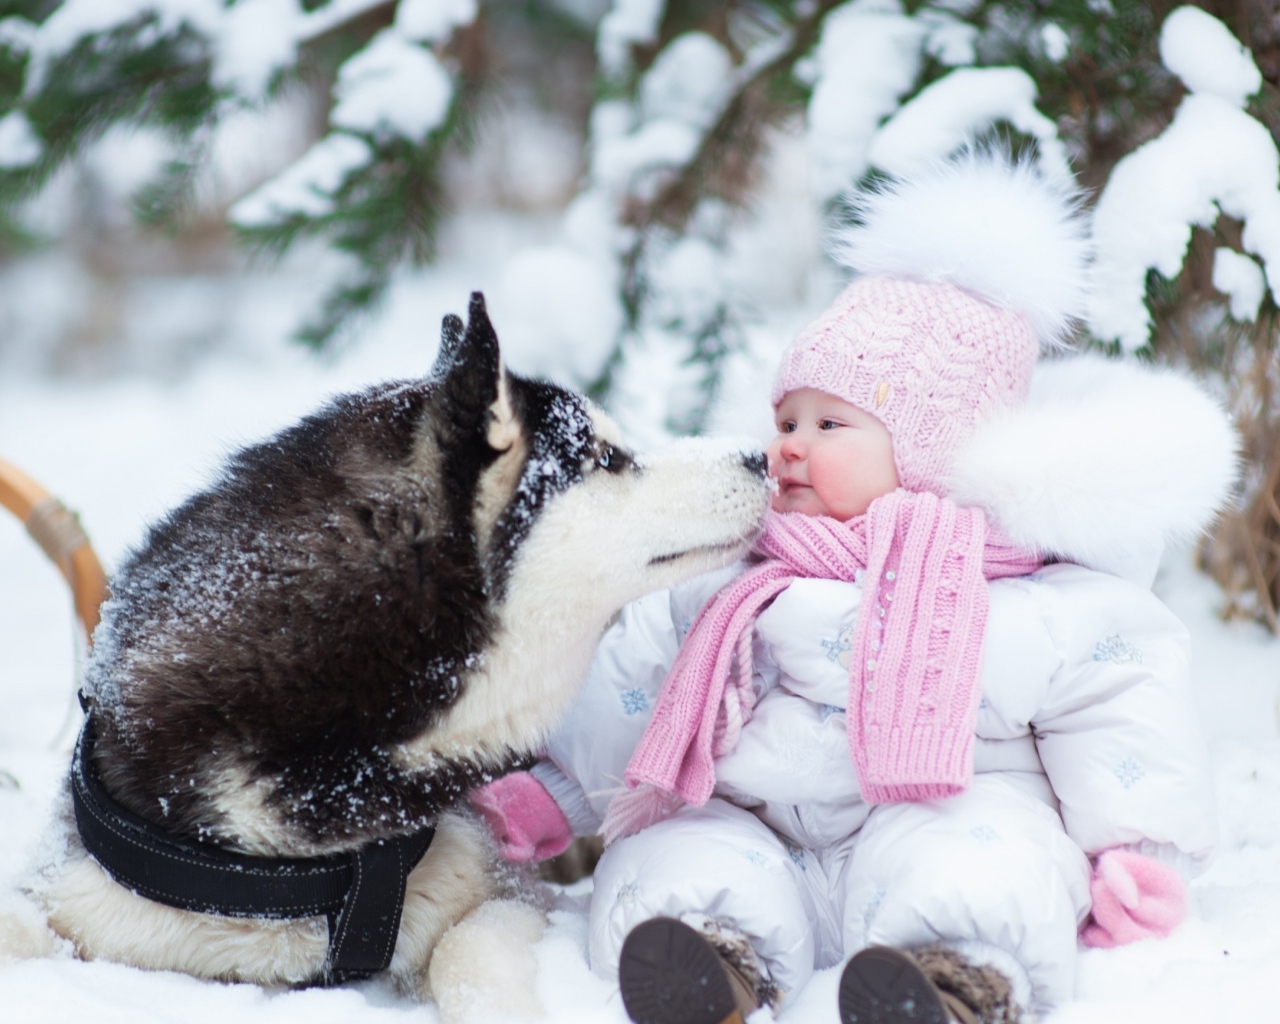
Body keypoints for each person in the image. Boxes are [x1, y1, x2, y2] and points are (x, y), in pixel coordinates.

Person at [472, 153, 1237, 1024]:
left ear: (933, 454)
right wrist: (563, 790)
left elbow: (1121, 698)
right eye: (786, 420)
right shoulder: (736, 572)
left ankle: (953, 982)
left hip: (940, 812)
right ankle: (708, 967)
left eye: (830, 425)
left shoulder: (1023, 595)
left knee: (988, 861)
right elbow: (638, 686)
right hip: (762, 827)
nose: (789, 445)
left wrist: (1139, 851)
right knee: (677, 851)